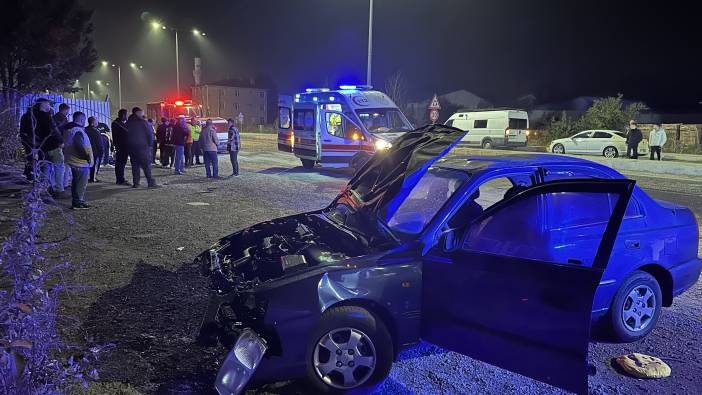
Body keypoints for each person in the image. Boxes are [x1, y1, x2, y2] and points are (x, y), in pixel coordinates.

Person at [18, 98, 65, 194]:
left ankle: (43, 188)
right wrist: (60, 141)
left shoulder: (27, 116)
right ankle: (58, 189)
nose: (50, 106)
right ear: (42, 105)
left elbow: (23, 134)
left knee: (44, 168)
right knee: (58, 167)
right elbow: (53, 131)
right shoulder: (46, 116)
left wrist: (32, 146)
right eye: (48, 104)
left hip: (39, 148)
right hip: (52, 146)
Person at [62, 112, 93, 209]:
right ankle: (78, 202)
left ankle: (76, 200)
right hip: (80, 162)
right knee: (81, 183)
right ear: (82, 120)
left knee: (76, 182)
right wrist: (86, 157)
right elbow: (79, 144)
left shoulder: (69, 129)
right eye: (84, 120)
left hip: (73, 159)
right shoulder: (78, 130)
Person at [126, 107, 158, 188]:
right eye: (142, 112)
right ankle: (151, 182)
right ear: (137, 112)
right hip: (143, 147)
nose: (143, 113)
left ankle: (136, 183)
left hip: (132, 147)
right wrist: (150, 145)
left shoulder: (128, 123)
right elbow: (150, 135)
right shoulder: (143, 122)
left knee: (135, 166)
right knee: (146, 165)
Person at [112, 109, 131, 185]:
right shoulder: (116, 123)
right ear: (123, 115)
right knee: (120, 163)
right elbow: (118, 136)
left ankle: (120, 179)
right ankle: (120, 180)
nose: (127, 116)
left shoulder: (122, 123)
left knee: (122, 163)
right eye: (126, 115)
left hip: (124, 147)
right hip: (121, 147)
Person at [85, 116, 105, 182]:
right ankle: (92, 178)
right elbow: (99, 143)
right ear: (93, 122)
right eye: (96, 121)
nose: (97, 122)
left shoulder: (85, 129)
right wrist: (101, 153)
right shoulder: (96, 131)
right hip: (95, 151)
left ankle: (89, 177)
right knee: (95, 165)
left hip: (86, 150)